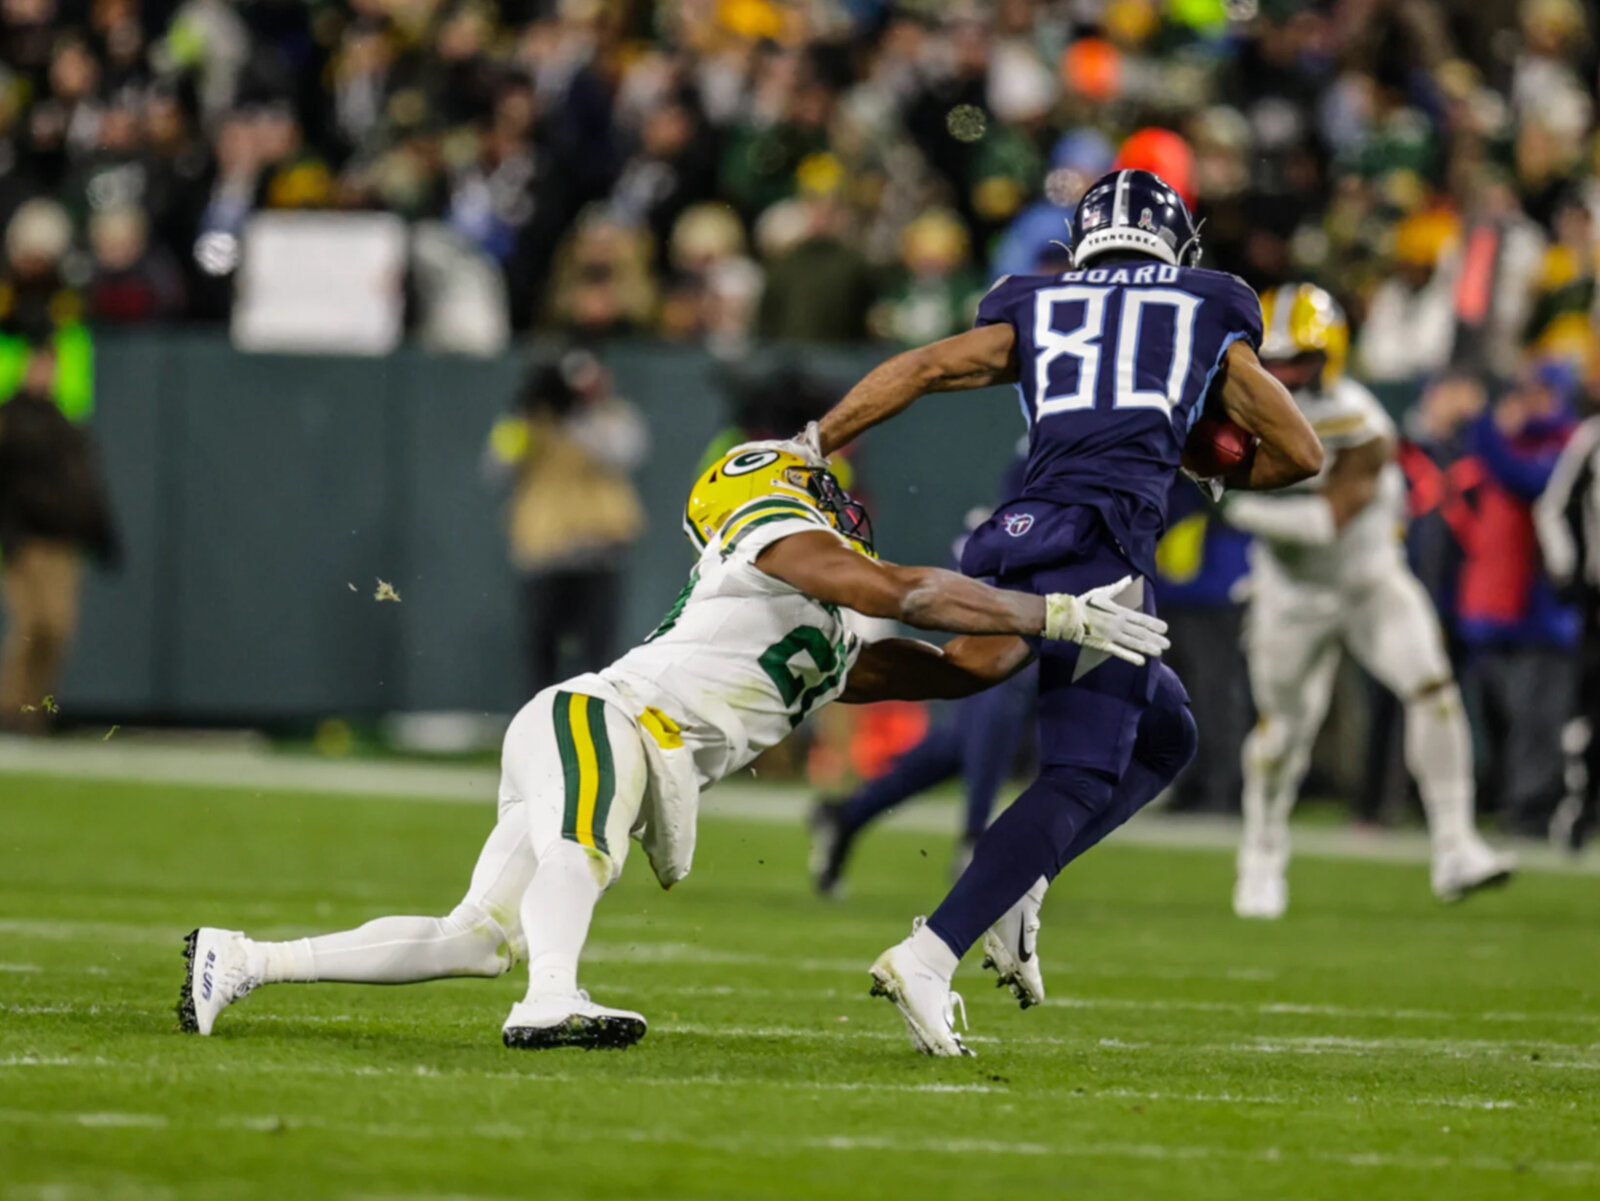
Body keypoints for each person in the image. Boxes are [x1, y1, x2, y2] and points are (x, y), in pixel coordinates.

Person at [179, 442, 1168, 1048]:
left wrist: (1071, 626)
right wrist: (1053, 610)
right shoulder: (773, 546)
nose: (840, 502)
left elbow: (957, 665)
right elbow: (903, 592)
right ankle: (551, 1000)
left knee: (474, 937)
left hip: (616, 745)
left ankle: (241, 960)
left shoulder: (824, 631)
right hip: (598, 720)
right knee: (582, 850)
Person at [810, 168, 1324, 1055]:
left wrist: (814, 441)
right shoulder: (1210, 302)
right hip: (1101, 551)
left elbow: (928, 366)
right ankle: (930, 952)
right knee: (1082, 772)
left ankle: (1017, 880)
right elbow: (1301, 451)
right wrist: (1205, 466)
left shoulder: (1034, 299)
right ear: (1176, 244)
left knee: (1168, 735)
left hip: (1018, 538)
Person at [1222, 284, 1516, 919]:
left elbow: (1328, 521)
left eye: (1297, 360)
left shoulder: (1361, 423)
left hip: (1367, 581)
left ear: (1331, 356)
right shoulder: (1235, 411)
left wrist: (1233, 508)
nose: (1283, 375)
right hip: (1290, 594)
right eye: (1271, 362)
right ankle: (1262, 854)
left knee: (1433, 689)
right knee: (1282, 736)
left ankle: (1456, 844)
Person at [808, 453, 1035, 894]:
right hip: (1024, 581)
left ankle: (849, 815)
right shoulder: (1050, 450)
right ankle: (975, 839)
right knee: (1002, 700)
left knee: (963, 743)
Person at [485, 349, 648, 694]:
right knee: (540, 654)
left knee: (599, 657)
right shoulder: (528, 421)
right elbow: (497, 465)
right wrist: (522, 412)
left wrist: (579, 415)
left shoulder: (611, 417)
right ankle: (539, 731)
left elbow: (624, 452)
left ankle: (595, 728)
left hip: (600, 550)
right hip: (544, 552)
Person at [0, 340, 118, 732]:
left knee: (58, 628)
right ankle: (9, 708)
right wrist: (9, 535)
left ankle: (37, 710)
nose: (43, 374)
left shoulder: (65, 424)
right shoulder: (9, 421)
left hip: (62, 545)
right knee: (31, 625)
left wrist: (102, 535)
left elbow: (83, 486)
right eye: (37, 366)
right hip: (26, 543)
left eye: (49, 366)